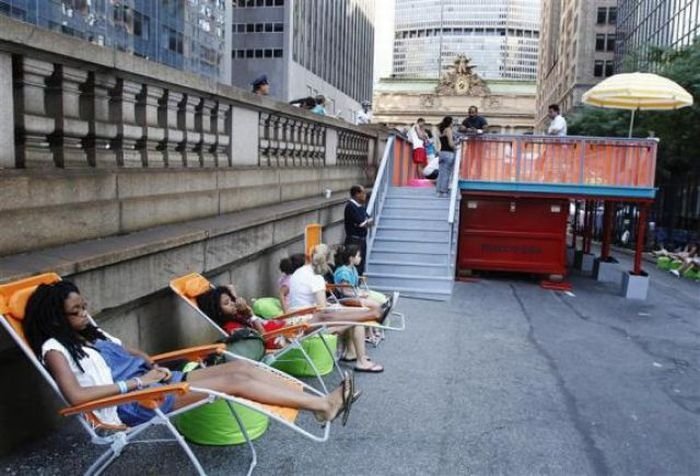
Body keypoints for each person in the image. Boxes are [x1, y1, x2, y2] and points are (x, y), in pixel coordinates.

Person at [23, 281, 355, 428]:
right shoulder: (56, 350)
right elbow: (76, 395)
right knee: (234, 382)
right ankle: (323, 406)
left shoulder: (90, 334)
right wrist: (139, 382)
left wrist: (150, 365)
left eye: (85, 306)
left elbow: (130, 351)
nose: (85, 313)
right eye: (76, 311)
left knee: (242, 369)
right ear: (55, 318)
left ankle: (320, 403)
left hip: (156, 384)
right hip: (133, 404)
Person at [289, 244, 384, 373]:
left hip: (295, 320)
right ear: (327, 261)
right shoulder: (316, 279)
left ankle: (351, 353)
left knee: (350, 314)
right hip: (309, 325)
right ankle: (361, 361)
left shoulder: (299, 272)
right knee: (356, 321)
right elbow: (323, 312)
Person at [344, 184, 372, 276]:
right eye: (363, 193)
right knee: (354, 264)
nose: (365, 195)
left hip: (362, 240)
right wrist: (366, 223)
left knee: (361, 265)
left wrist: (366, 222)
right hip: (354, 241)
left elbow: (369, 219)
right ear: (357, 194)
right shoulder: (350, 206)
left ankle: (358, 284)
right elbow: (362, 223)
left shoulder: (361, 207)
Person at [436, 116, 456, 197]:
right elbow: (451, 143)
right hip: (448, 153)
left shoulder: (442, 131)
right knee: (447, 173)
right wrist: (457, 146)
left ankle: (438, 191)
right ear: (450, 122)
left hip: (442, 153)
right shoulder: (448, 130)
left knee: (441, 173)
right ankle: (444, 192)